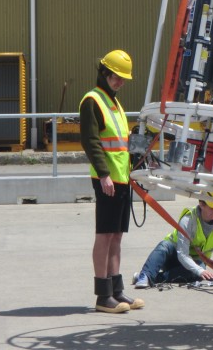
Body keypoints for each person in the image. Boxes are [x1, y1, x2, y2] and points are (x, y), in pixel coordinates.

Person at [80, 49, 144, 314]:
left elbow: (121, 143)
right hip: (107, 179)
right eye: (117, 77)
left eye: (124, 78)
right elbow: (91, 141)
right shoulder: (92, 101)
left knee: (117, 235)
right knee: (104, 235)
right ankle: (102, 296)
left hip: (122, 178)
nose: (121, 82)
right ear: (104, 73)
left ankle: (116, 292)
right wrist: (104, 174)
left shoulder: (115, 103)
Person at [133, 192, 213, 287]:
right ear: (201, 204)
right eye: (212, 208)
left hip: (194, 261)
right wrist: (199, 270)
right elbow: (182, 254)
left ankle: (152, 277)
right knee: (164, 246)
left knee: (199, 271)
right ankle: (145, 276)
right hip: (174, 255)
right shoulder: (188, 220)